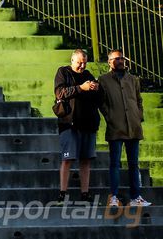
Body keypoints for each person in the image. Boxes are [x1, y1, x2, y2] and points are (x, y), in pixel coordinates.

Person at [99, 50, 151, 208]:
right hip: (116, 127)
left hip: (134, 127)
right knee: (114, 163)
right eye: (117, 59)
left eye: (122, 58)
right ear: (109, 62)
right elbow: (102, 103)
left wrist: (138, 116)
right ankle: (113, 197)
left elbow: (139, 100)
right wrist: (110, 117)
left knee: (133, 164)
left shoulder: (133, 79)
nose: (120, 61)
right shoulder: (103, 80)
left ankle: (136, 197)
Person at [53, 49, 101, 204]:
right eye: (79, 62)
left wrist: (95, 89)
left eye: (85, 62)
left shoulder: (88, 75)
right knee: (67, 159)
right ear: (72, 60)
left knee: (86, 160)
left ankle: (85, 194)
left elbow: (97, 98)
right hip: (69, 123)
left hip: (88, 123)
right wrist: (81, 88)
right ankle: (62, 194)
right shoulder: (63, 72)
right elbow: (60, 93)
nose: (82, 66)